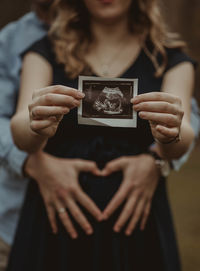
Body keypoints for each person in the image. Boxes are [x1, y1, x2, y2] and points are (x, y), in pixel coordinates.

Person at [2, 0, 199, 271]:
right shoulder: (43, 52)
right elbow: (20, 131)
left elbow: (182, 137)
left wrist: (169, 135)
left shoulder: (171, 58)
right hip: (54, 223)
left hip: (135, 223)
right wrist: (36, 125)